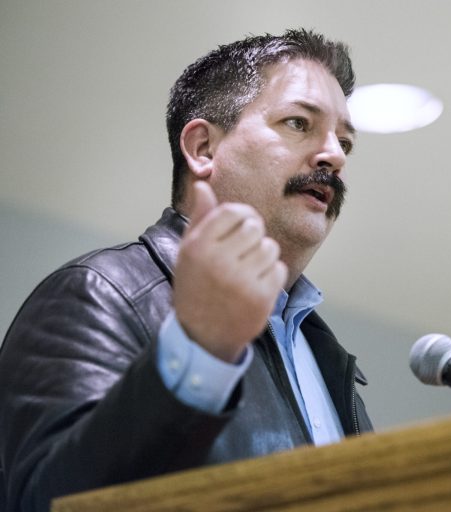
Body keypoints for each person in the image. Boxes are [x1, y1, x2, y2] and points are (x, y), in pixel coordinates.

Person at [0, 29, 374, 512]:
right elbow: (45, 501)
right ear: (202, 148)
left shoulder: (325, 354)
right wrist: (200, 352)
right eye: (299, 123)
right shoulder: (96, 294)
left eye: (344, 141)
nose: (335, 155)